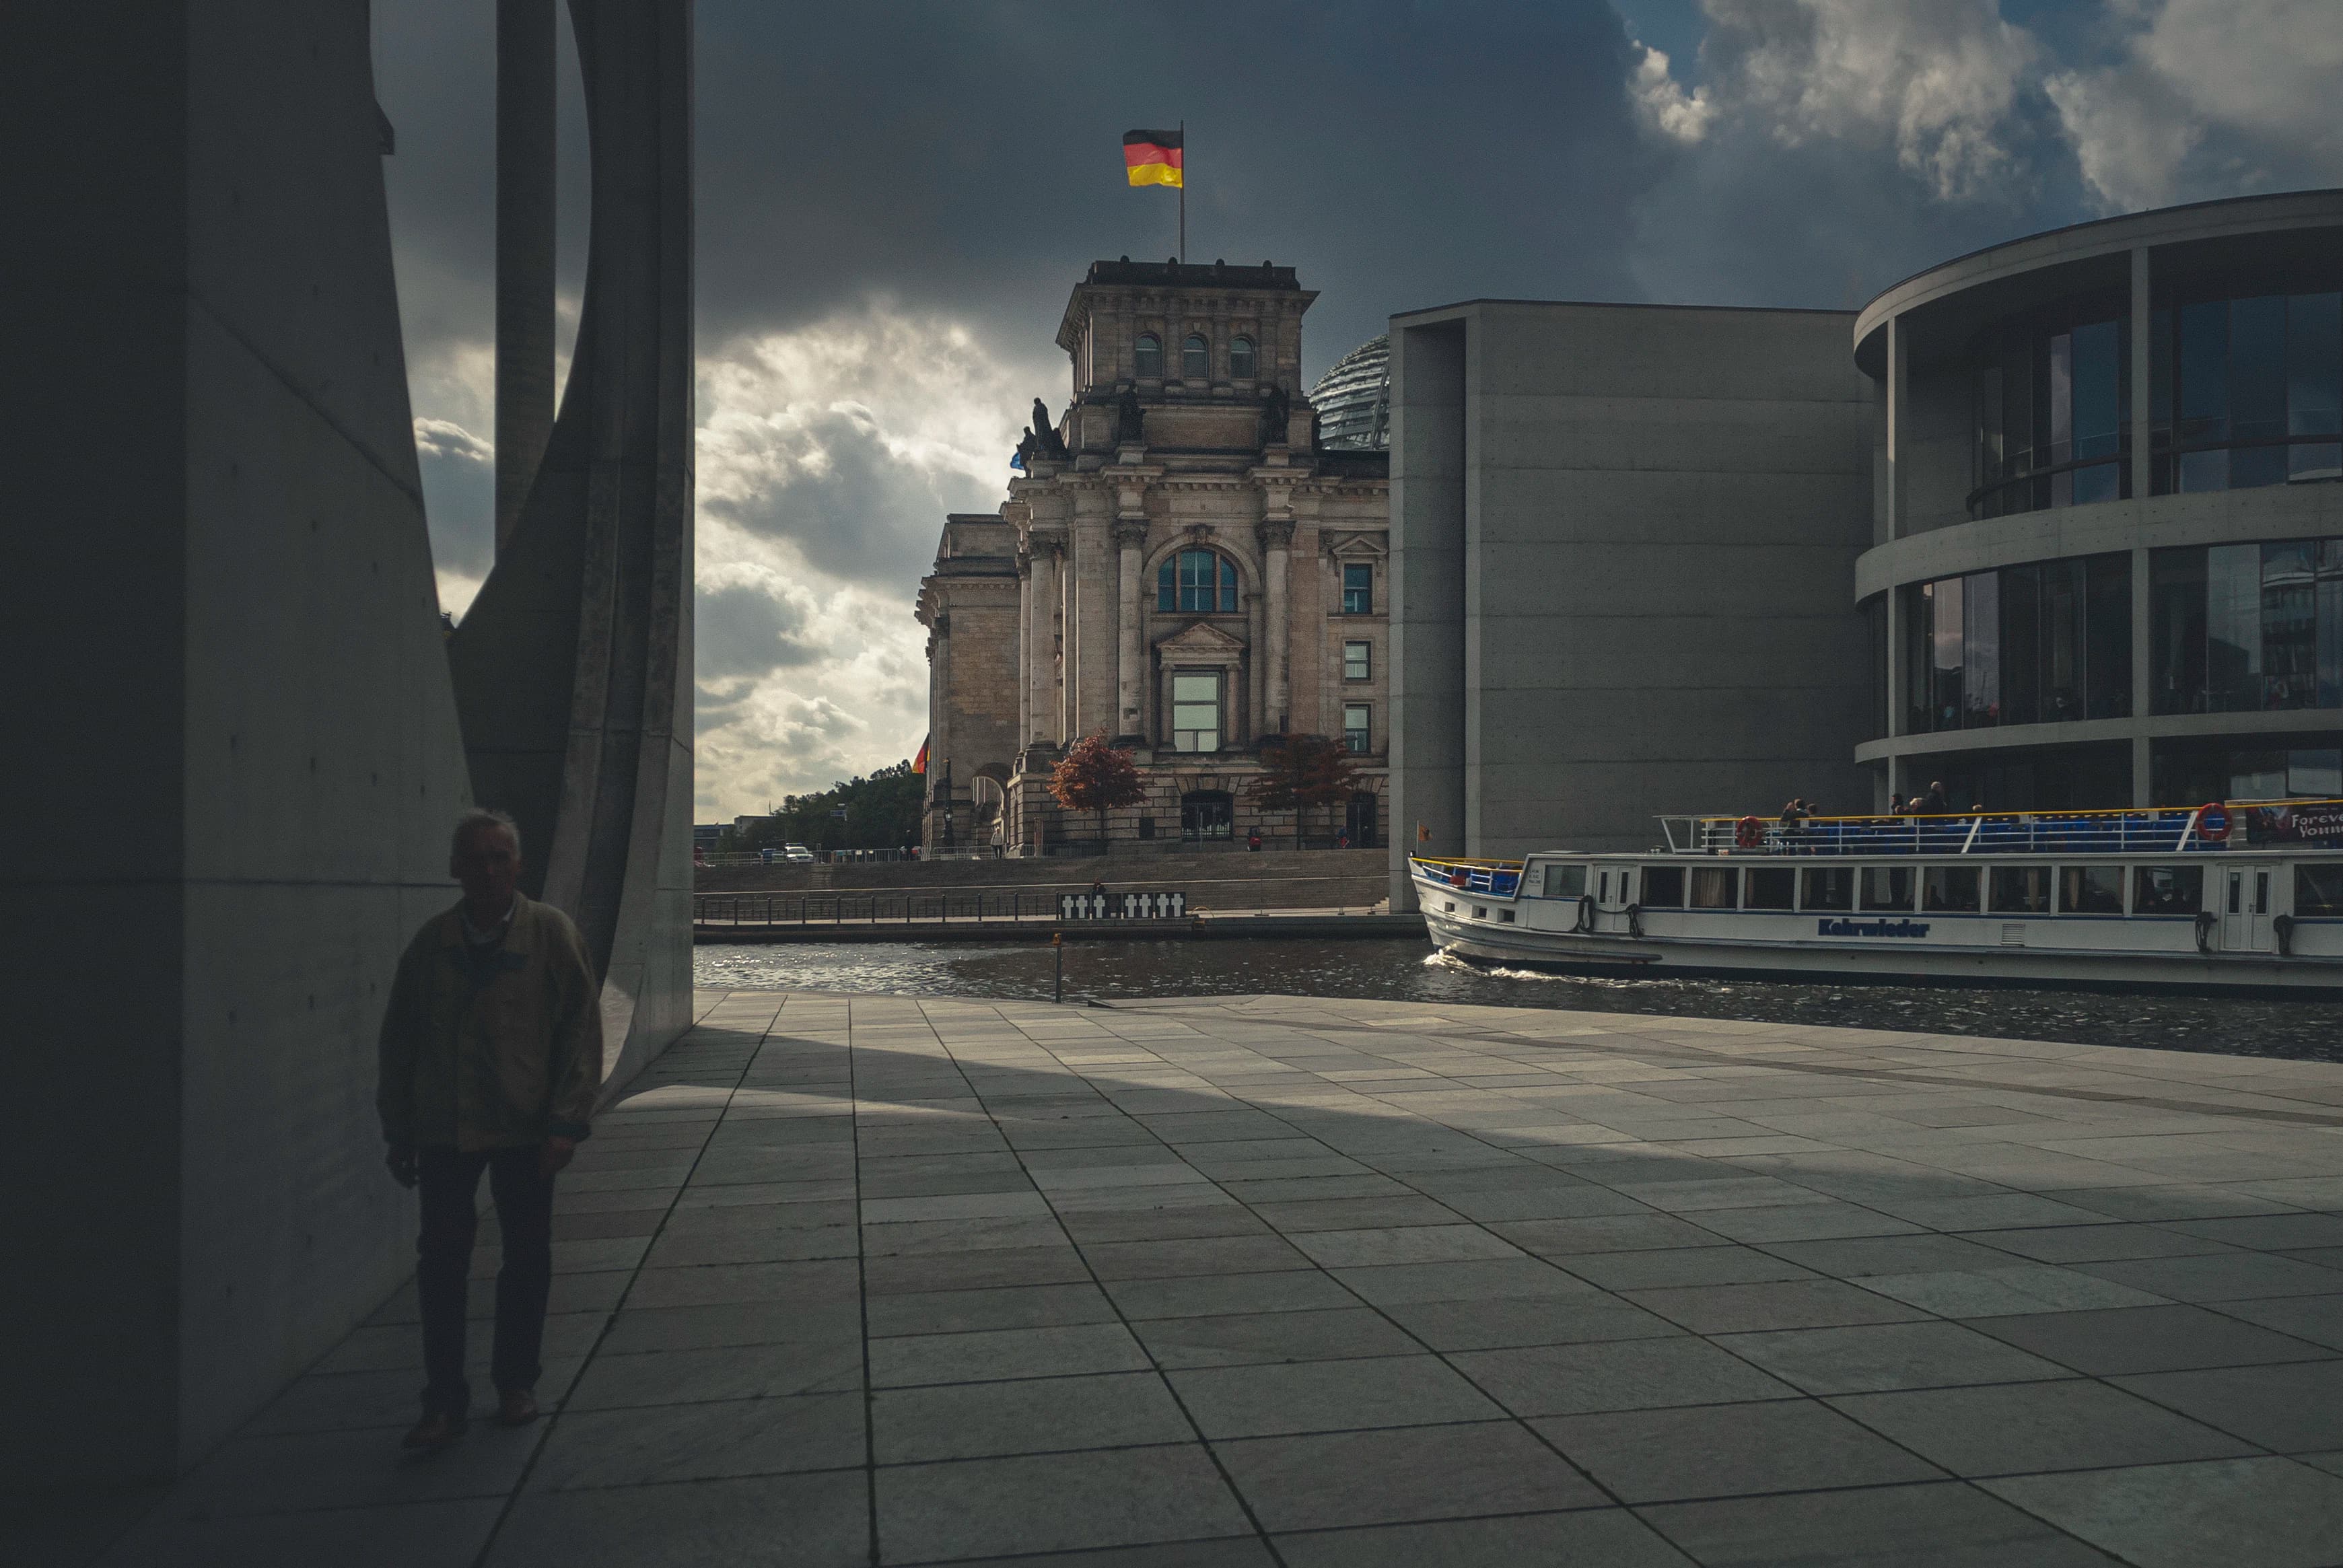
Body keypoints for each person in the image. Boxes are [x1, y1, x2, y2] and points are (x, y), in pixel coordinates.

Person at [378, 808, 602, 1452]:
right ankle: (443, 1399)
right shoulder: (431, 945)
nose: (487, 870)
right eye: (474, 859)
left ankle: (515, 1382)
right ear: (454, 869)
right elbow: (400, 1041)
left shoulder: (551, 935)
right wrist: (398, 1128)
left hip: (525, 1124)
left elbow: (580, 1032)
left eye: (499, 857)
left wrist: (566, 1121)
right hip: (444, 1128)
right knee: (441, 1266)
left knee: (526, 1259)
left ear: (518, 865)